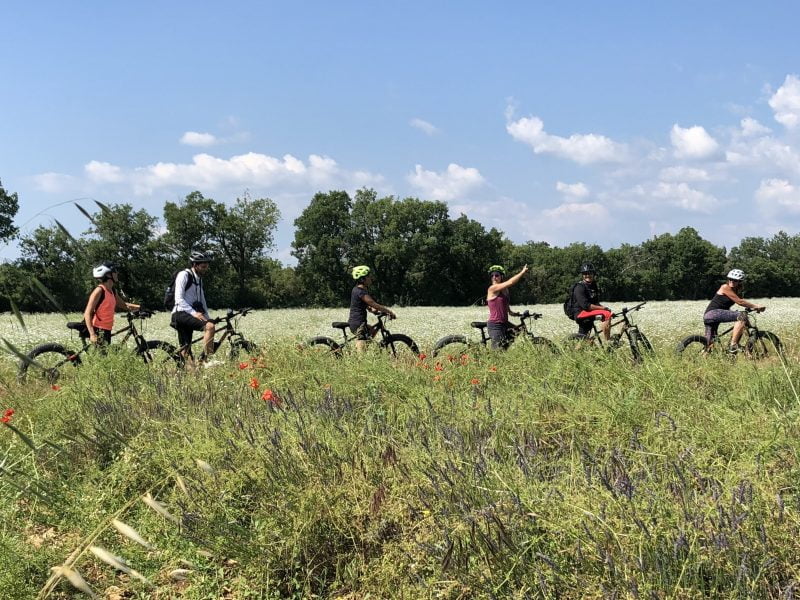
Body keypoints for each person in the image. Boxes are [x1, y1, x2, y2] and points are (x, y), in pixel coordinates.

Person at [703, 268, 765, 353]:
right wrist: (757, 306)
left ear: (740, 281)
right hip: (713, 313)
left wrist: (753, 308)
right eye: (730, 279)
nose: (732, 281)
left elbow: (742, 301)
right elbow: (740, 302)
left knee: (709, 345)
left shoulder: (736, 291)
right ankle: (734, 345)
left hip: (709, 316)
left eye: (735, 280)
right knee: (741, 316)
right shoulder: (725, 287)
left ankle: (704, 357)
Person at [171, 250, 216, 364]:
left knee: (186, 352)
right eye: (203, 266)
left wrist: (207, 317)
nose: (206, 269)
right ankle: (206, 361)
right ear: (195, 265)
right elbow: (178, 299)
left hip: (189, 314)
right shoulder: (184, 275)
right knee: (209, 327)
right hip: (180, 313)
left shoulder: (199, 280)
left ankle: (181, 372)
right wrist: (194, 313)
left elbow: (202, 301)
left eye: (206, 267)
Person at [83, 262, 140, 345]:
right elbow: (87, 313)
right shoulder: (99, 291)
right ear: (108, 275)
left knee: (106, 355)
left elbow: (123, 305)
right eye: (115, 271)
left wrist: (140, 307)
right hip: (98, 329)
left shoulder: (112, 290)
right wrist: (92, 334)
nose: (117, 273)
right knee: (102, 357)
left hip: (107, 328)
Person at [348, 265, 396, 352]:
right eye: (368, 276)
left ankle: (362, 350)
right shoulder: (360, 291)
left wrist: (372, 310)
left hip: (356, 322)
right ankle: (359, 360)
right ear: (362, 279)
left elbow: (365, 305)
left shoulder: (357, 290)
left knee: (372, 331)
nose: (371, 278)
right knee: (361, 346)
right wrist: (389, 311)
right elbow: (373, 303)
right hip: (358, 323)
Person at [486, 264, 528, 349]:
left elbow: (506, 306)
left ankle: (504, 349)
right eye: (492, 275)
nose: (494, 277)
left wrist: (513, 313)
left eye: (497, 275)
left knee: (518, 330)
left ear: (501, 276)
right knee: (497, 354)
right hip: (495, 325)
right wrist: (522, 272)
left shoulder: (505, 291)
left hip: (504, 323)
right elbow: (511, 282)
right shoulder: (492, 288)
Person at [571, 262, 613, 341]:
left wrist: (604, 308)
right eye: (585, 273)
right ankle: (608, 342)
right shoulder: (579, 287)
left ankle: (576, 350)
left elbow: (596, 302)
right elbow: (586, 305)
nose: (588, 275)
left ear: (593, 274)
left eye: (590, 273)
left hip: (588, 312)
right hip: (580, 313)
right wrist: (603, 309)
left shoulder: (593, 286)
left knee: (585, 339)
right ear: (582, 275)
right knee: (607, 314)